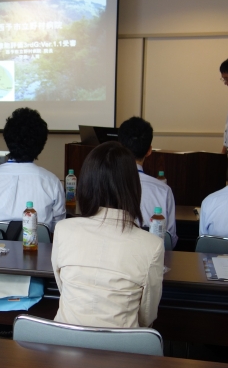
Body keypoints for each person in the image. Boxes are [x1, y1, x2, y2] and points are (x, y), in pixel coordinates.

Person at [52, 141, 164, 328]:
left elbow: (64, 289)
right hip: (121, 351)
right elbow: (147, 317)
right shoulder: (152, 245)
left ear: (86, 184)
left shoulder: (63, 229)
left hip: (64, 346)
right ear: (133, 187)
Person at [0, 107, 65, 230]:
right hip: (39, 248)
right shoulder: (51, 181)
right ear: (41, 144)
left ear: (7, 139)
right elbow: (58, 226)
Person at [118, 116, 177, 246]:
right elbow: (170, 240)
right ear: (149, 151)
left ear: (120, 148)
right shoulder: (164, 190)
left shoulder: (107, 185)